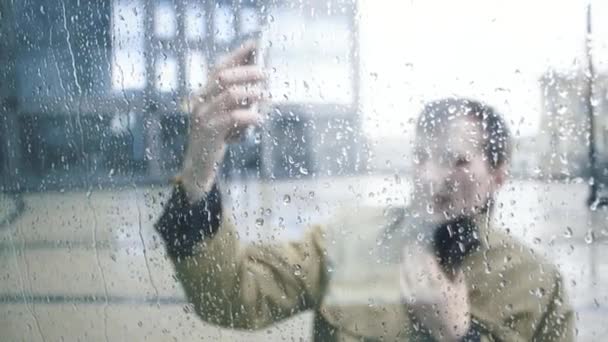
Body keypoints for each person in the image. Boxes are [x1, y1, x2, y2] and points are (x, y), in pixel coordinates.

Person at [155, 42, 574, 341]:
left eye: (457, 161)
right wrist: (201, 164)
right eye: (421, 156)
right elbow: (230, 297)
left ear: (499, 175)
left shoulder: (537, 284)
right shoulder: (349, 242)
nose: (430, 177)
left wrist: (457, 333)